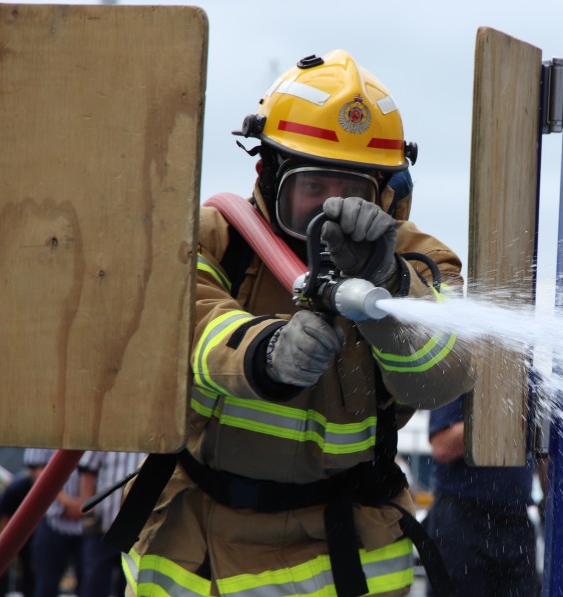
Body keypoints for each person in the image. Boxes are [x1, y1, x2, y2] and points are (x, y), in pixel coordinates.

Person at [111, 50, 474, 597]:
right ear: (267, 174)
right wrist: (267, 350)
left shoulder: (421, 262)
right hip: (193, 545)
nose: (334, 212)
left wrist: (391, 285)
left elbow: (444, 375)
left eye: (354, 192)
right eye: (315, 187)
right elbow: (189, 329)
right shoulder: (209, 237)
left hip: (339, 551)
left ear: (388, 192)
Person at [425, 394, 539, 596]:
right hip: (463, 520)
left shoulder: (531, 377)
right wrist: (498, 416)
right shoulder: (461, 367)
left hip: (517, 523)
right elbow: (442, 445)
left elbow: (545, 457)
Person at [24, 448, 97, 597]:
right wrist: (66, 503)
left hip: (89, 524)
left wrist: (84, 504)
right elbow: (36, 470)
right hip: (54, 519)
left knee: (90, 587)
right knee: (46, 585)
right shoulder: (44, 426)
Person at [80, 451, 145, 597]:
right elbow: (87, 470)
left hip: (137, 534)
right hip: (103, 527)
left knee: (130, 586)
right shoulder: (110, 431)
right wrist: (88, 514)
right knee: (94, 584)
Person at [0, 465, 38, 597]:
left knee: (30, 566)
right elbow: (4, 522)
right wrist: (5, 552)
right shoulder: (17, 488)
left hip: (23, 527)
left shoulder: (47, 488)